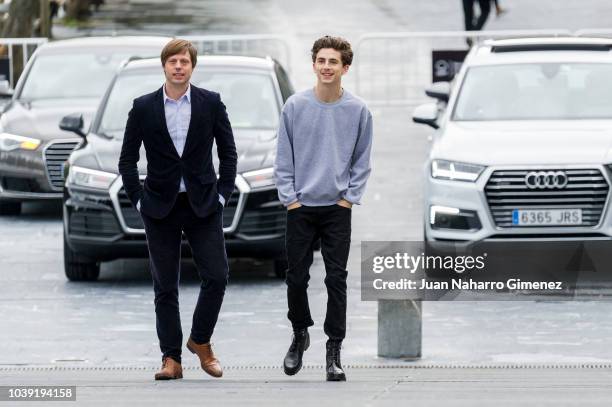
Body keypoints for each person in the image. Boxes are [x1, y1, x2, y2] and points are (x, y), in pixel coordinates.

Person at [118, 39, 237, 381]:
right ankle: (171, 358)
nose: (179, 66)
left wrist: (222, 195)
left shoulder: (210, 103)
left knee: (216, 276)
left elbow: (229, 154)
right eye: (173, 61)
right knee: (165, 285)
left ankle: (200, 340)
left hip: (203, 205)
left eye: (184, 61)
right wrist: (138, 199)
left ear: (192, 66)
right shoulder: (143, 107)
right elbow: (127, 159)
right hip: (159, 207)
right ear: (164, 66)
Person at [274, 35, 373, 382]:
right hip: (300, 206)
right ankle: (299, 333)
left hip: (336, 207)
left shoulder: (358, 110)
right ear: (314, 64)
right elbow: (283, 158)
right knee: (296, 276)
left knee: (336, 279)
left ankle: (334, 350)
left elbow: (362, 161)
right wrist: (291, 198)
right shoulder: (295, 107)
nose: (326, 67)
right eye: (321, 61)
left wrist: (348, 197)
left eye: (333, 62)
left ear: (345, 68)